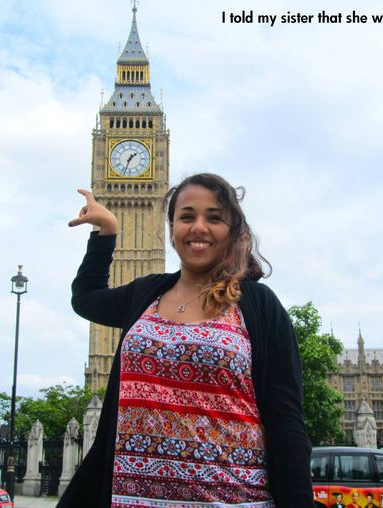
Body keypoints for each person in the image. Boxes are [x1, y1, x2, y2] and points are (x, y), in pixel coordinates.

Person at [58, 174, 313, 507]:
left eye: (214, 217)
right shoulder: (146, 293)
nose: (199, 227)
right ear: (172, 228)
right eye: (187, 216)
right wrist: (107, 230)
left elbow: (286, 421)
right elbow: (87, 297)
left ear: (233, 231)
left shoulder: (258, 306)